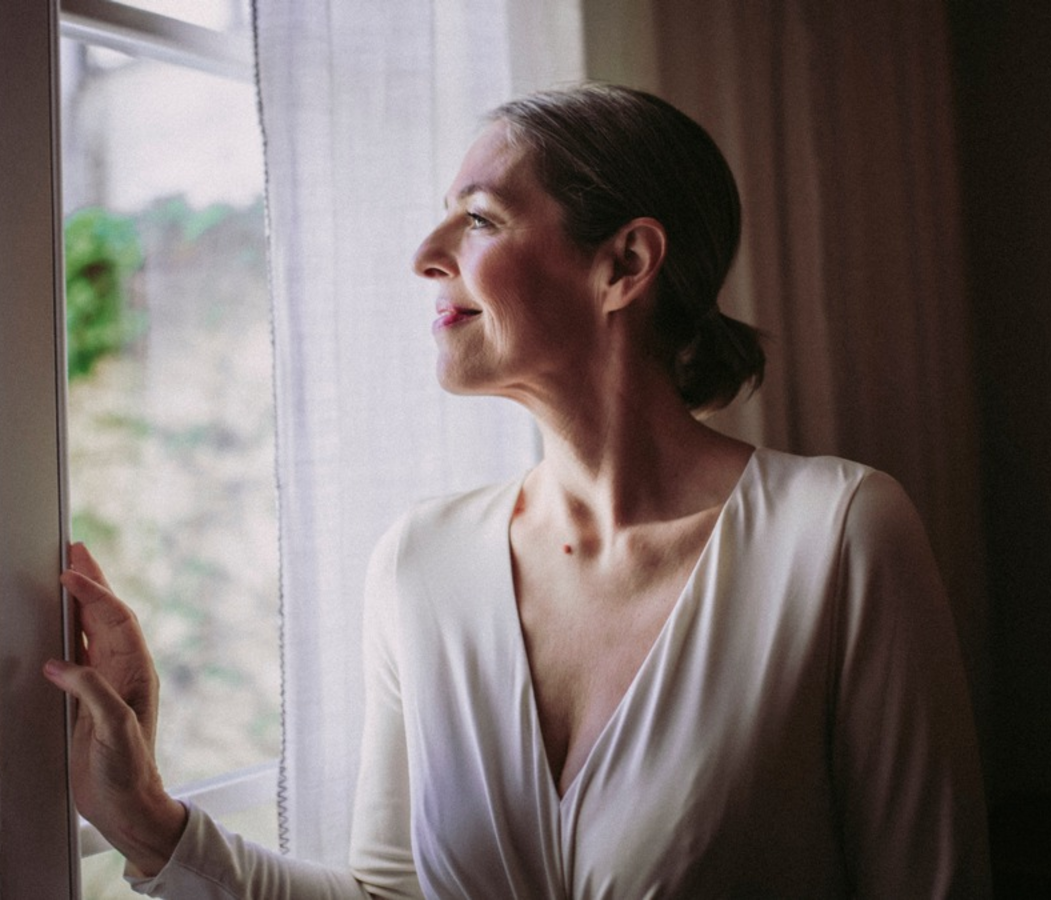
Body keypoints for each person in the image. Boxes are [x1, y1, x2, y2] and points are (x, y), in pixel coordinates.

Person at [45, 84, 991, 898]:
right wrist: (149, 823)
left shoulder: (838, 537)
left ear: (624, 264)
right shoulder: (421, 563)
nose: (426, 253)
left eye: (481, 218)